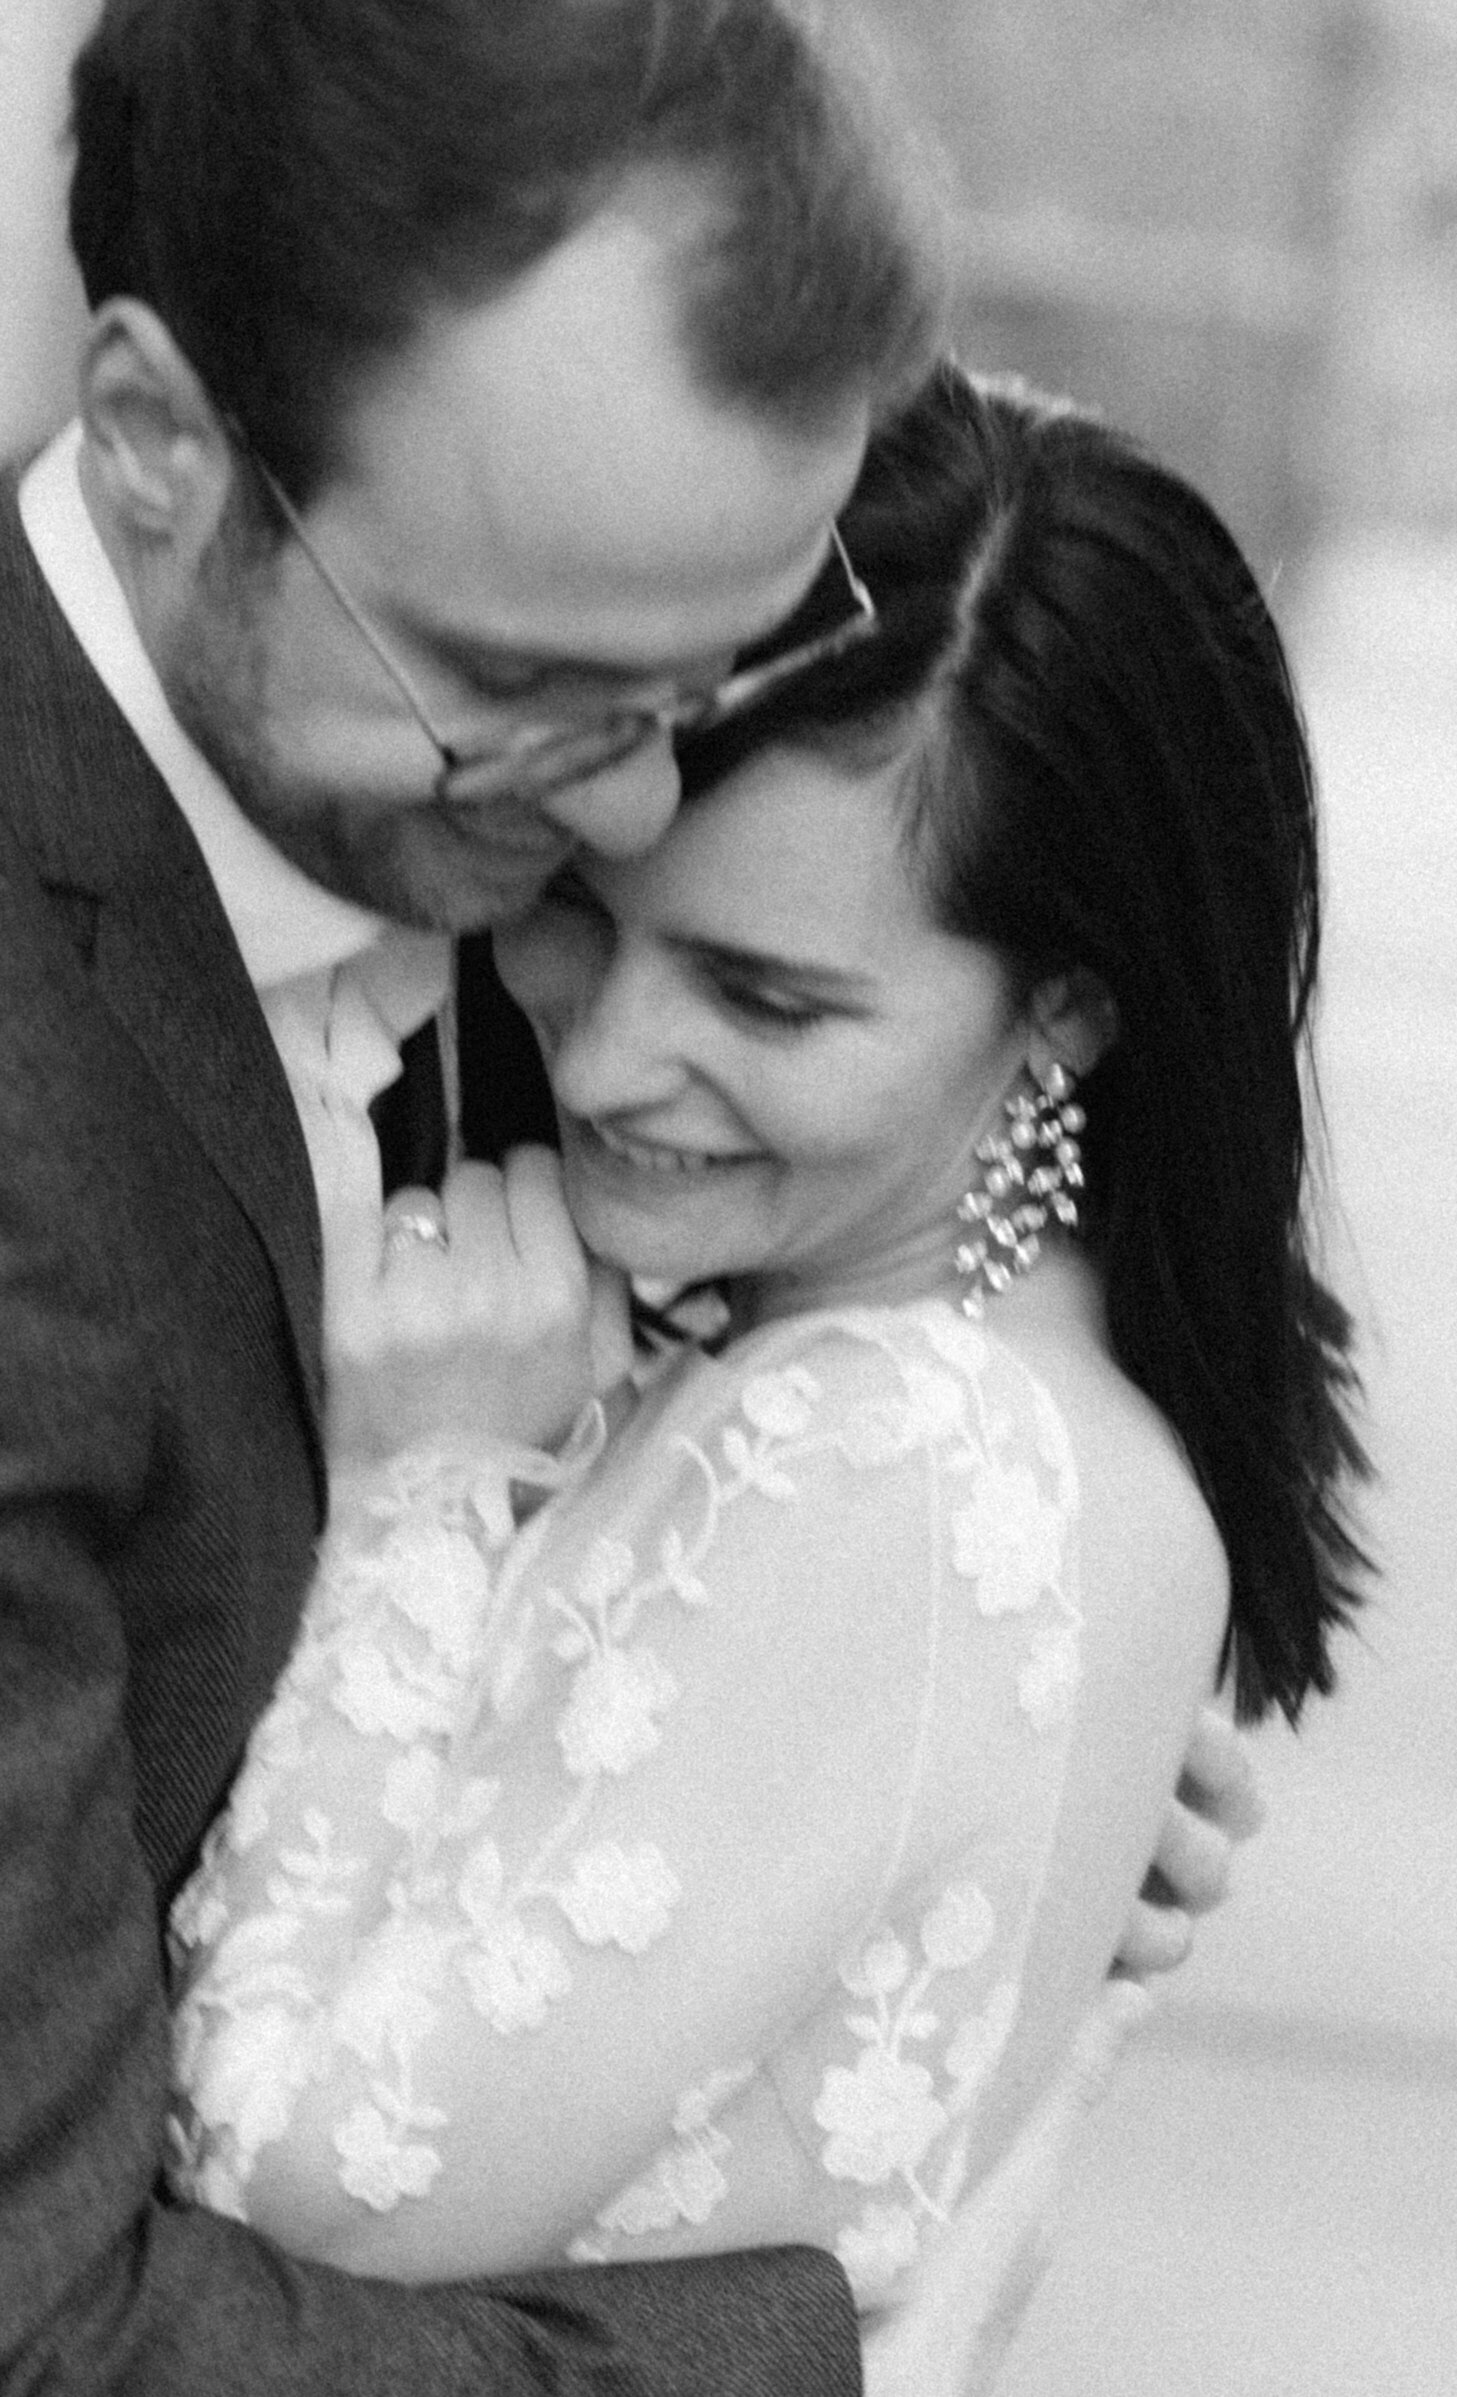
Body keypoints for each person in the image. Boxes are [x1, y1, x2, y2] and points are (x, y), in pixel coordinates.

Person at [160, 363, 1368, 2383]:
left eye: (763, 996)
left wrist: (419, 1494)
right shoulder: (927, 1394)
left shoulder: (886, 1453)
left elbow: (294, 2174)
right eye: (586, 923)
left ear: (1063, 1010)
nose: (615, 1057)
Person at [0, 2, 947, 2388]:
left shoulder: (498, 758)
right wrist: (815, 2365)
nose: (631, 820)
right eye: (522, 687)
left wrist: (903, 1709)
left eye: (713, 679)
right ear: (152, 444)